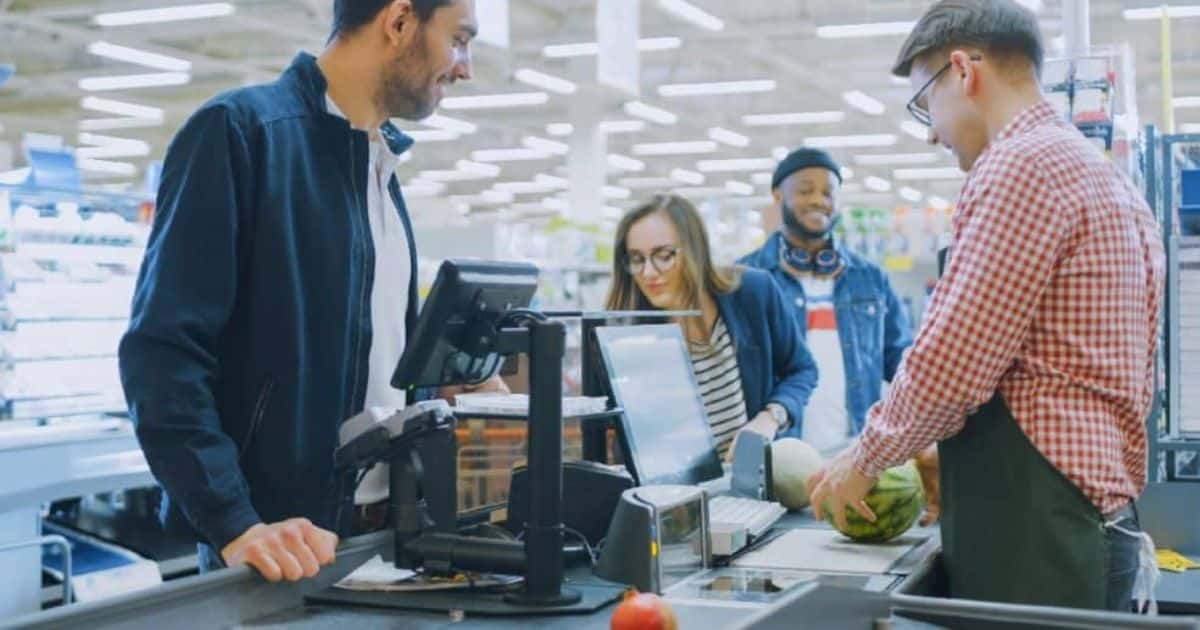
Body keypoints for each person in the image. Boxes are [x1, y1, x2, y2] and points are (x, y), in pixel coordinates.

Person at [808, 0, 1165, 613]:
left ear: (964, 72)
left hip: (1040, 536)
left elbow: (951, 362)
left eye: (925, 103)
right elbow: (1048, 367)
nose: (930, 131)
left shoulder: (1018, 168)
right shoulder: (1104, 178)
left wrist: (865, 459)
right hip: (1089, 517)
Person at [119, 0, 486, 583]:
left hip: (385, 537)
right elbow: (162, 354)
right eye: (460, 40)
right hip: (276, 551)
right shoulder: (241, 134)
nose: (465, 67)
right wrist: (235, 523)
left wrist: (442, 381)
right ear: (398, 22)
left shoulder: (378, 165)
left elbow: (360, 354)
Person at [606, 194, 818, 460]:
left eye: (663, 255)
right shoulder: (628, 336)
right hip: (671, 493)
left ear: (694, 250)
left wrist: (769, 418)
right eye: (636, 259)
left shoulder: (752, 293)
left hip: (750, 486)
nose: (648, 272)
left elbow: (802, 369)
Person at [739, 149, 913, 454]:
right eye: (806, 190)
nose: (819, 200)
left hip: (856, 453)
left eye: (828, 192)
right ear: (778, 196)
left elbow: (900, 361)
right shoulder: (746, 279)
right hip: (778, 454)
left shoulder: (870, 277)